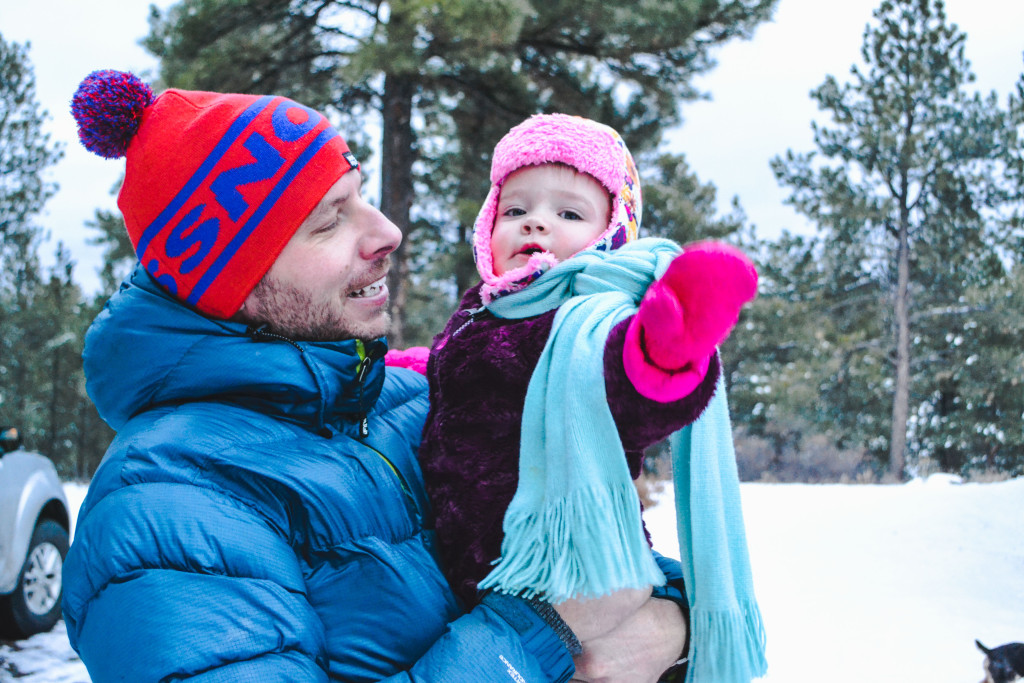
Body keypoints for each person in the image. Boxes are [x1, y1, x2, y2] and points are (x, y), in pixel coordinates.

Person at [62, 71, 690, 682]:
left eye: (360, 194)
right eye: (330, 219)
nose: (387, 231)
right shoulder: (166, 506)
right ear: (235, 284)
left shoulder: (417, 399)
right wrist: (536, 638)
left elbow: (616, 571)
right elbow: (570, 622)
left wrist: (677, 623)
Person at [398, 114, 767, 681]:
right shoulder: (482, 313)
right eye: (515, 210)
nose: (535, 224)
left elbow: (627, 395)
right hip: (494, 587)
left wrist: (663, 352)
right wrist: (410, 367)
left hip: (569, 580)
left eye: (569, 214)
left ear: (610, 235)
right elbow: (463, 374)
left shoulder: (587, 327)